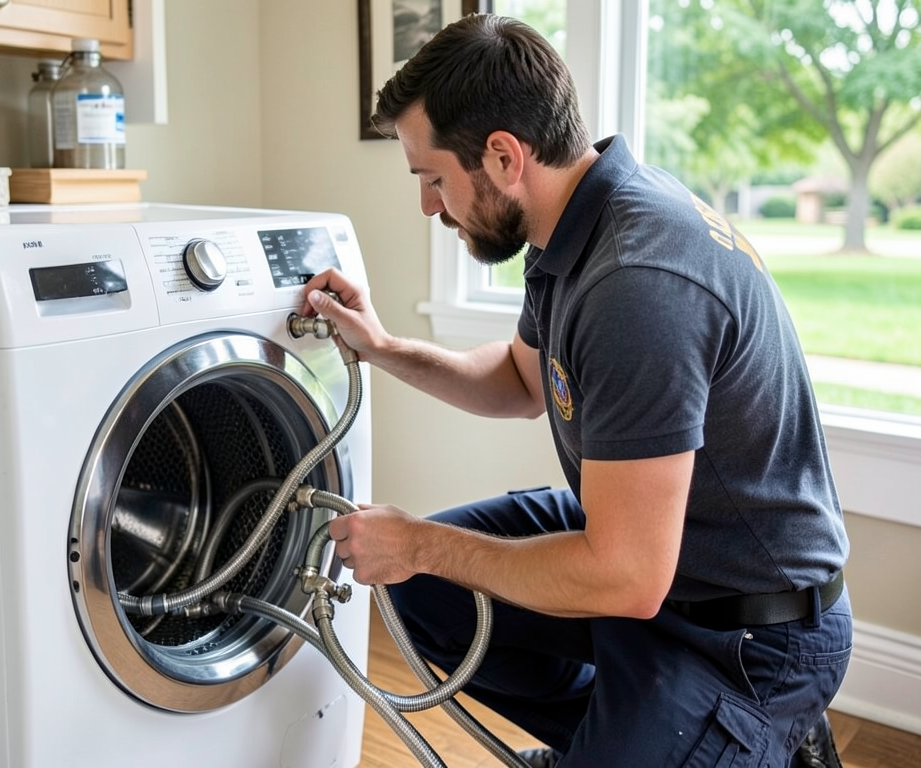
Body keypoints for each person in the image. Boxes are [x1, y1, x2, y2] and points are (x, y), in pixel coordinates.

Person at [300, 13, 851, 768]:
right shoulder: (576, 222)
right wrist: (384, 347)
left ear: (502, 156)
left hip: (749, 635)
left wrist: (422, 541)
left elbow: (626, 575)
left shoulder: (637, 283)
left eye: (432, 179)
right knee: (417, 592)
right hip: (645, 554)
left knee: (425, 558)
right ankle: (623, 735)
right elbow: (520, 381)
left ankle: (748, 739)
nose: (429, 206)